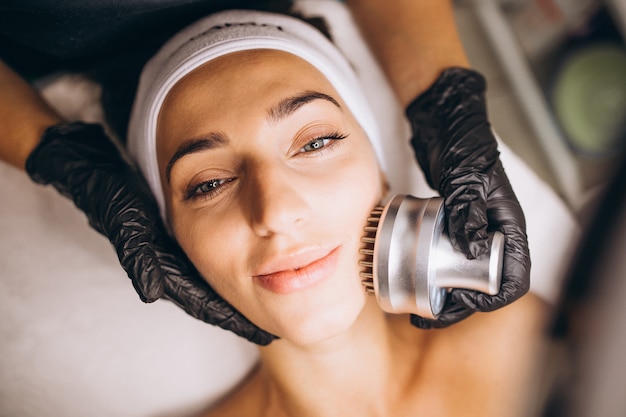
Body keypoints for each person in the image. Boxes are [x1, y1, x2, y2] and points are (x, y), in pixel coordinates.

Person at [2, 7, 546, 415]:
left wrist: (448, 104)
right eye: (208, 183)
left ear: (381, 169)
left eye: (314, 143)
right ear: (168, 242)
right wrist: (68, 163)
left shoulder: (525, 340)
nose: (276, 210)